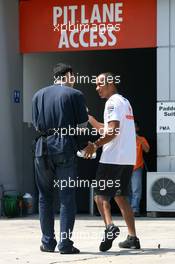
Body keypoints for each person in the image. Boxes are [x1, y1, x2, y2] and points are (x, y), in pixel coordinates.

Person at [32, 63, 88, 254]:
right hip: (64, 148)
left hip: (42, 149)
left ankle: (47, 243)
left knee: (44, 197)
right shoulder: (75, 95)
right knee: (66, 198)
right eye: (74, 76)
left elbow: (36, 125)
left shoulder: (38, 95)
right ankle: (65, 244)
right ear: (69, 75)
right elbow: (81, 127)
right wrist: (83, 147)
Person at [84, 72, 141, 252]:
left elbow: (112, 132)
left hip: (112, 158)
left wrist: (94, 145)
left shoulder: (111, 103)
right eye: (95, 84)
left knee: (99, 196)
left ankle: (109, 227)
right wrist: (91, 120)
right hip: (127, 159)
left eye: (100, 84)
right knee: (120, 197)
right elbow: (109, 128)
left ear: (110, 83)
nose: (97, 88)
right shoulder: (125, 102)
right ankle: (132, 238)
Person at [129, 121, 150, 217]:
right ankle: (127, 209)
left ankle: (135, 209)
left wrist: (138, 138)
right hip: (126, 167)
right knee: (126, 190)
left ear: (137, 129)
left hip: (137, 167)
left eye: (134, 127)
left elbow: (147, 150)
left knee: (136, 189)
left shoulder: (141, 139)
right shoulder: (125, 139)